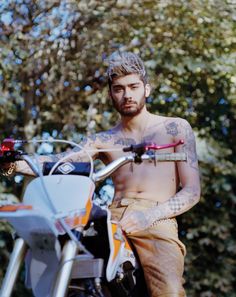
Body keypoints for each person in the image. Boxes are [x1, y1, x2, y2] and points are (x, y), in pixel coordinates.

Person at [2, 51, 201, 297]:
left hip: (157, 219)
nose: (127, 94)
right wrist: (12, 162)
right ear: (111, 94)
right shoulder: (103, 140)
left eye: (133, 87)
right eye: (118, 89)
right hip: (112, 216)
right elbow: (58, 162)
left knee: (168, 290)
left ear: (146, 90)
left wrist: (148, 217)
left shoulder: (175, 127)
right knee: (72, 273)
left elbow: (192, 191)